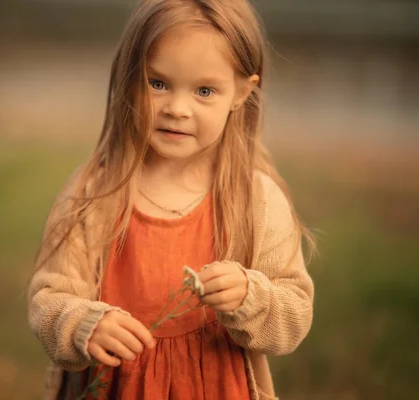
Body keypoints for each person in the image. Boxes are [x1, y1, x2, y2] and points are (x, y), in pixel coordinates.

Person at [27, 0, 315, 398]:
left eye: (204, 91)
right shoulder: (94, 192)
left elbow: (294, 315)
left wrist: (252, 296)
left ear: (241, 92)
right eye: (157, 83)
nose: (177, 109)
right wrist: (81, 324)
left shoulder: (256, 201)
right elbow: (48, 299)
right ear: (129, 78)